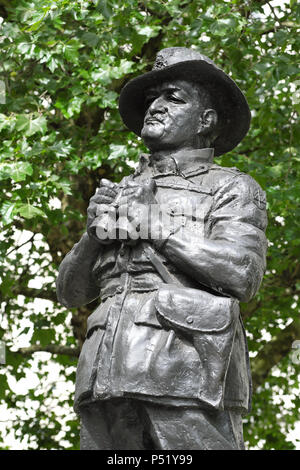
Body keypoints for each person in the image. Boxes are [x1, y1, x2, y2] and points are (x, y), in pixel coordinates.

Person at [56, 47, 268, 450]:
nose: (155, 105)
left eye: (174, 97)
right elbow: (70, 293)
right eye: (153, 97)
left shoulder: (231, 187)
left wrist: (153, 224)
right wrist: (92, 237)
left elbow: (242, 273)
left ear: (206, 120)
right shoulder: (118, 192)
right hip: (104, 379)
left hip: (187, 375)